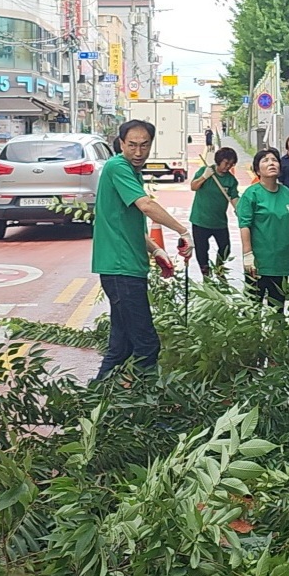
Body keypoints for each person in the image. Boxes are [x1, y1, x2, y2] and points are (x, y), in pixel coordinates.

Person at [92, 119, 193, 380]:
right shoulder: (118, 166)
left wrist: (155, 250)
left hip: (126, 268)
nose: (138, 152)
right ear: (121, 144)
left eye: (144, 145)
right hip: (121, 269)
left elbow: (125, 223)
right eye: (132, 145)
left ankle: (97, 397)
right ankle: (146, 399)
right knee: (146, 345)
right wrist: (182, 231)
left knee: (121, 347)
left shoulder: (131, 172)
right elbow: (146, 206)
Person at [236, 147, 289, 311]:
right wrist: (247, 254)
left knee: (277, 311)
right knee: (252, 311)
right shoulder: (252, 194)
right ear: (257, 170)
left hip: (281, 263)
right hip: (258, 263)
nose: (271, 163)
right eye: (265, 160)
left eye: (274, 160)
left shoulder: (286, 193)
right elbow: (244, 225)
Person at [188, 146, 240, 281]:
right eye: (226, 163)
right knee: (201, 250)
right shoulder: (205, 171)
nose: (228, 167)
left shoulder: (231, 180)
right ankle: (206, 274)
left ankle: (219, 269)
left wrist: (239, 209)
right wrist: (204, 177)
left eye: (231, 164)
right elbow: (193, 186)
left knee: (225, 248)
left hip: (219, 222)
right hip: (200, 220)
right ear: (219, 161)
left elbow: (234, 197)